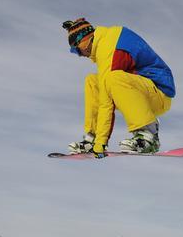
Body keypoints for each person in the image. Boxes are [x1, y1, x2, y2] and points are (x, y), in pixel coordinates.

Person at [62, 18, 176, 158]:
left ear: (85, 43)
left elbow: (106, 103)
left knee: (113, 78)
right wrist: (96, 141)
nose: (79, 55)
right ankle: (91, 138)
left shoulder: (109, 48)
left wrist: (101, 144)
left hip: (159, 95)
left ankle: (148, 134)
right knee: (92, 81)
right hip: (142, 91)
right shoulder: (105, 42)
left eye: (76, 50)